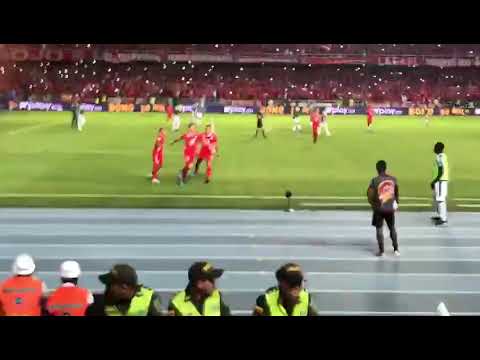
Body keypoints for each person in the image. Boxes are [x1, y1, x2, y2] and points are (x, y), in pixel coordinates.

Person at [86, 264, 162, 316]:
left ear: (124, 287)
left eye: (111, 285)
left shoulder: (150, 298)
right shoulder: (100, 304)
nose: (107, 288)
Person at [253, 263, 317, 316]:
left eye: (298, 283)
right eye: (292, 284)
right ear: (282, 283)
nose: (295, 289)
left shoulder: (307, 299)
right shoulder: (265, 302)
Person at [367, 160, 400, 257]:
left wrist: (373, 204)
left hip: (379, 208)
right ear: (386, 168)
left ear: (377, 169)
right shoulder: (393, 179)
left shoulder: (374, 180)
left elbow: (369, 194)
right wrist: (396, 202)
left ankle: (381, 251)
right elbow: (397, 192)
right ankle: (396, 249)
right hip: (390, 208)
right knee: (392, 228)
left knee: (379, 229)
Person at [431, 142, 449, 225]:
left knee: (441, 199)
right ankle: (441, 216)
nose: (433, 148)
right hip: (441, 180)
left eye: (435, 147)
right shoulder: (443, 156)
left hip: (440, 181)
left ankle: (443, 218)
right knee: (440, 199)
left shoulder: (439, 157)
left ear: (438, 149)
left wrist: (435, 181)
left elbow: (441, 170)